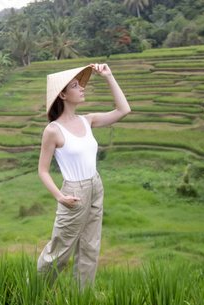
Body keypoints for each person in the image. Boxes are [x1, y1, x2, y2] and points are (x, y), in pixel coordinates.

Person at [37, 63, 130, 290]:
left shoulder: (87, 120)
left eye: (81, 85)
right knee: (60, 251)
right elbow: (43, 170)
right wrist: (60, 196)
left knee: (90, 248)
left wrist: (109, 76)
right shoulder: (53, 130)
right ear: (62, 94)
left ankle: (82, 300)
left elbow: (123, 110)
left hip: (95, 186)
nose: (82, 89)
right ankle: (33, 293)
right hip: (73, 192)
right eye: (76, 86)